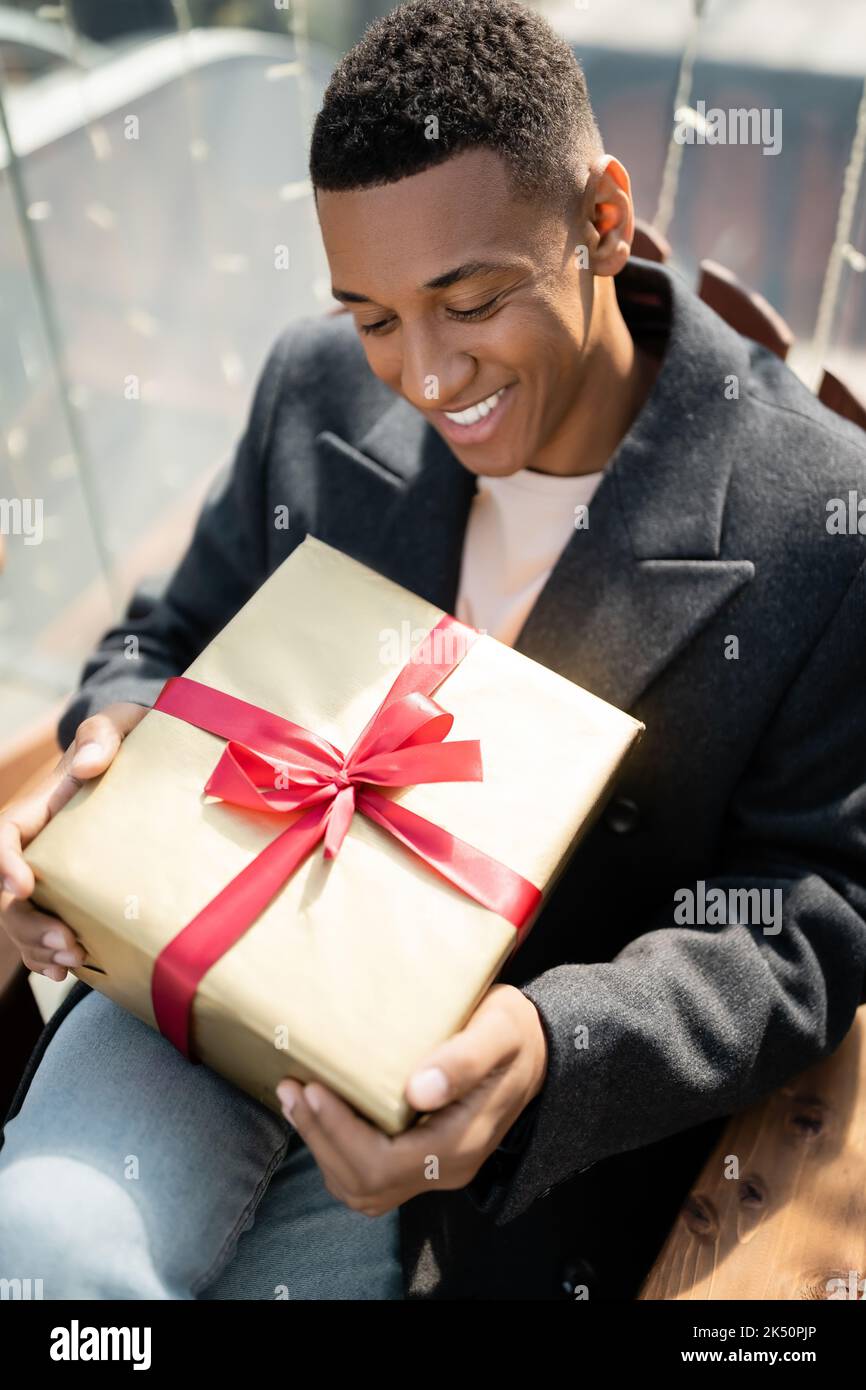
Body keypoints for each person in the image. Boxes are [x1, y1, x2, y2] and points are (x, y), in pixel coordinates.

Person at [2, 0, 866, 1301]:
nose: (420, 372)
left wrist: (548, 1042)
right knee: (60, 1262)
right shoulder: (311, 388)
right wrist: (100, 758)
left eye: (467, 302)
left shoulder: (815, 516)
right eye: (372, 313)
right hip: (208, 996)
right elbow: (166, 632)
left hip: (515, 1132)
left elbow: (812, 905)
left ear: (603, 221)